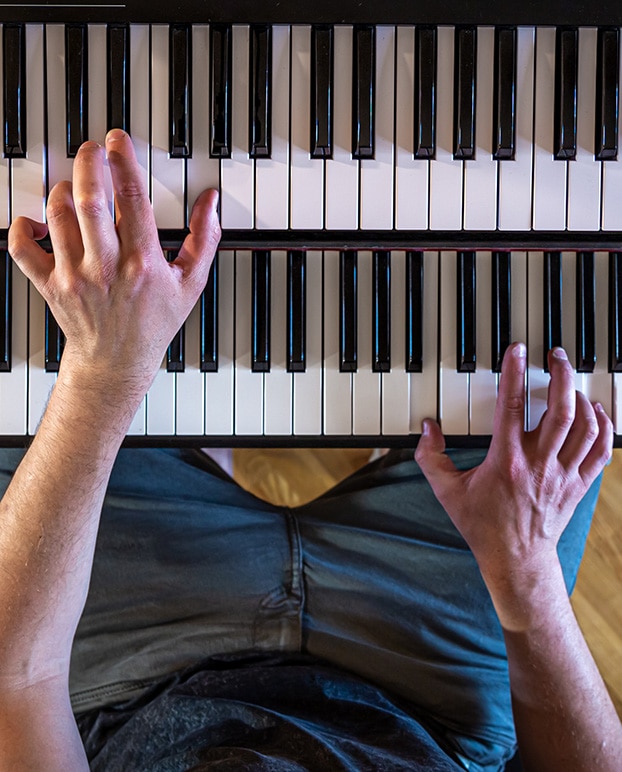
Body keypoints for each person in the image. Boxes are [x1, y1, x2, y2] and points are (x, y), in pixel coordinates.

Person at [0, 129, 620, 772]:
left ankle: (198, 409)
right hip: (432, 690)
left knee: (32, 367)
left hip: (138, 669)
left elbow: (18, 678)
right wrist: (525, 574)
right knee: (546, 342)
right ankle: (258, 393)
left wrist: (103, 380)